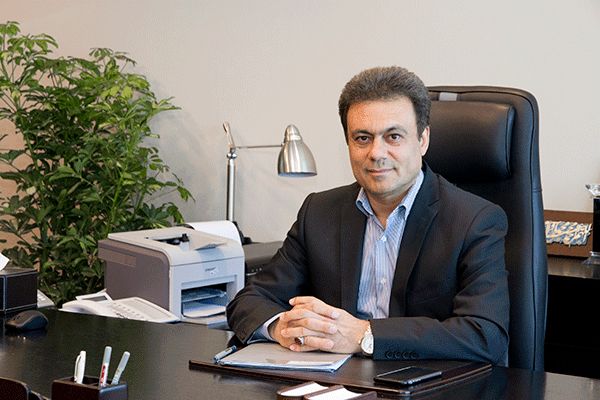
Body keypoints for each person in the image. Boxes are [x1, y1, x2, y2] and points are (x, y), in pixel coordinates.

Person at [226, 66, 509, 366]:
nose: (376, 153)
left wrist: (364, 334)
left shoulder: (474, 220)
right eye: (362, 138)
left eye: (393, 137)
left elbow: (485, 334)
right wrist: (283, 328)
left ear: (423, 139)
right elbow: (248, 301)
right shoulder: (319, 213)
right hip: (333, 380)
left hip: (421, 381)